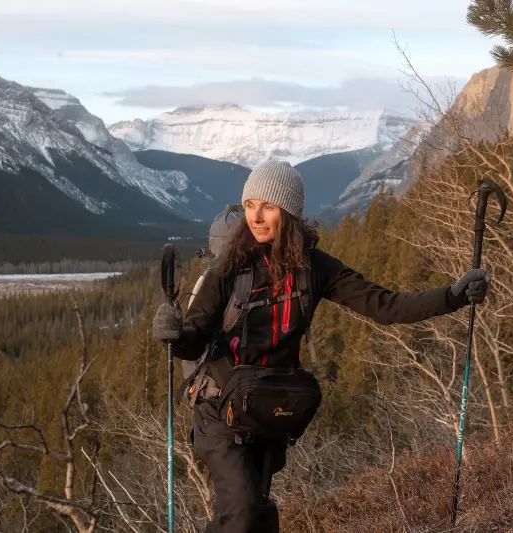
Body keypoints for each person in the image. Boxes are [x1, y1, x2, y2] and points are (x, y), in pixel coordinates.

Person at [152, 160, 490, 533]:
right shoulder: (229, 266)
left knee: (256, 515)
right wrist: (175, 335)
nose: (256, 216)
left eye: (267, 206)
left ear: (290, 210)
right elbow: (194, 338)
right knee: (243, 512)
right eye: (249, 205)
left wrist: (452, 296)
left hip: (269, 410)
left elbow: (386, 305)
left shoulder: (315, 268)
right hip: (219, 409)